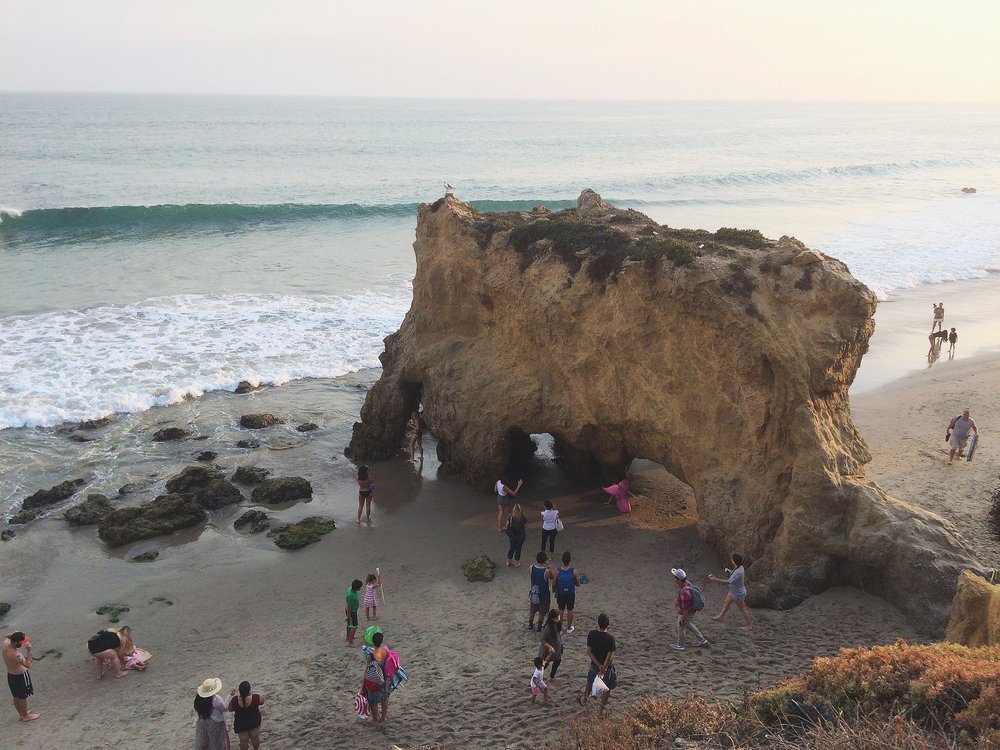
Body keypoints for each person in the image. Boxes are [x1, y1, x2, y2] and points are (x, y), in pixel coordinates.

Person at [579, 613, 616, 717]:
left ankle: (584, 698)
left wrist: (599, 665)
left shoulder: (592, 634)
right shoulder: (610, 639)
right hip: (606, 668)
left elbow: (589, 651)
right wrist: (603, 668)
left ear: (598, 624)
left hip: (595, 665)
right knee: (607, 687)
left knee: (590, 682)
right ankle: (601, 710)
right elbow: (609, 657)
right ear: (608, 625)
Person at [709, 553, 753, 629]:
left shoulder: (738, 572)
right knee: (726, 603)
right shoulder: (739, 567)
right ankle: (720, 616)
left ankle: (749, 625)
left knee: (743, 609)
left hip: (738, 593)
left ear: (734, 561)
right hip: (734, 590)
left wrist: (715, 579)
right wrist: (729, 571)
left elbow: (728, 581)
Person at [3, 631, 38, 721]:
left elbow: (8, 635)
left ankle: (22, 714)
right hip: (21, 675)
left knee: (16, 696)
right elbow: (28, 664)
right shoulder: (16, 655)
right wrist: (29, 651)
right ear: (16, 642)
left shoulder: (6, 643)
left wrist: (17, 635)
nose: (22, 643)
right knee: (22, 697)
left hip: (11, 675)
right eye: (20, 642)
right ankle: (26, 716)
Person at [671, 567, 708, 650]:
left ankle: (680, 645)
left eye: (675, 578)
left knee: (680, 626)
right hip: (690, 611)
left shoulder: (685, 592)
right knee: (688, 624)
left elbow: (685, 608)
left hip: (686, 612)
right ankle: (701, 639)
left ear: (679, 580)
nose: (674, 579)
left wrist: (683, 619)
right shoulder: (686, 584)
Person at [361, 631, 390, 726]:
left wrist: (363, 685)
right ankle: (383, 717)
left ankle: (375, 719)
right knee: (384, 698)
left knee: (373, 700)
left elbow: (367, 670)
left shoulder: (371, 656)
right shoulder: (385, 651)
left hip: (375, 680)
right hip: (384, 679)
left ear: (372, 642)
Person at [194, 677, 230, 750]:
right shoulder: (216, 699)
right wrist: (230, 696)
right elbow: (224, 708)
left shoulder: (198, 699)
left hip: (202, 721)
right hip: (215, 722)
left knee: (205, 740)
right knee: (218, 742)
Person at [228, 680, 265, 750]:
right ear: (249, 690)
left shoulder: (235, 700)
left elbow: (230, 709)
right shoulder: (255, 697)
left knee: (243, 741)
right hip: (254, 721)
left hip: (241, 724)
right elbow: (262, 701)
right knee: (255, 737)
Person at [555, 551, 582, 635]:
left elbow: (554, 582)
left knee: (561, 610)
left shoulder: (557, 571)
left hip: (561, 592)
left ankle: (559, 628)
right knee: (570, 609)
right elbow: (578, 584)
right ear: (569, 560)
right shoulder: (574, 571)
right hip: (570, 593)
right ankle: (569, 627)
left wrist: (556, 589)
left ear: (562, 560)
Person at [528, 552, 553, 631]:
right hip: (544, 594)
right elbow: (551, 577)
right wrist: (548, 566)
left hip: (534, 592)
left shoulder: (531, 567)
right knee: (542, 612)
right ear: (545, 560)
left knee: (532, 609)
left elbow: (530, 575)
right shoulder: (546, 571)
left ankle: (530, 624)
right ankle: (539, 626)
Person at [538, 609, 564, 682]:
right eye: (556, 618)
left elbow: (559, 635)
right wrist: (550, 647)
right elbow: (542, 640)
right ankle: (538, 677)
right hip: (548, 650)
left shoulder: (558, 625)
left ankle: (552, 676)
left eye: (558, 617)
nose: (558, 619)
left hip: (556, 647)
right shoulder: (548, 628)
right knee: (544, 664)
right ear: (552, 619)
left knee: (557, 661)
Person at [505, 503, 528, 567]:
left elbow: (507, 525)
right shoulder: (523, 517)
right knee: (518, 549)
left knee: (511, 547)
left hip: (512, 535)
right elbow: (526, 526)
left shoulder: (511, 516)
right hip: (521, 535)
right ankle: (516, 563)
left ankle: (508, 561)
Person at [346, 579, 363, 646]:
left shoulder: (350, 589)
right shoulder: (351, 595)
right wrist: (348, 615)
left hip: (351, 611)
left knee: (349, 624)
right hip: (352, 612)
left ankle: (348, 637)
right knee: (355, 626)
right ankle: (350, 642)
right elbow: (349, 606)